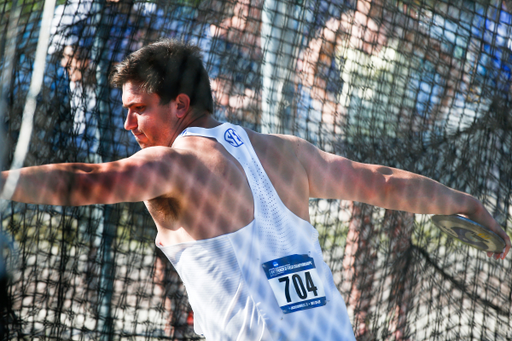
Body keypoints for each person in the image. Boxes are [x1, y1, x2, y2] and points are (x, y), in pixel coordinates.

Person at [1, 39, 509, 340]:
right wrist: (462, 200)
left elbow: (88, 180)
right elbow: (379, 181)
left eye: (139, 107)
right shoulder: (286, 151)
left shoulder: (172, 165)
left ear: (179, 106)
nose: (128, 123)